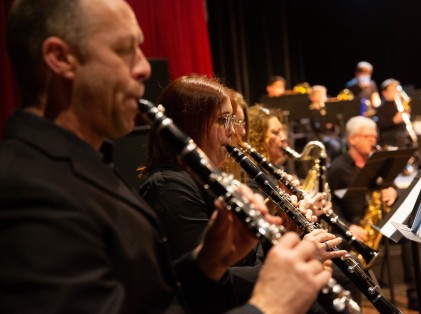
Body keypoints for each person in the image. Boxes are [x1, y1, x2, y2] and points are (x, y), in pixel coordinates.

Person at [0, 1, 332, 314]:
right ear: (60, 58)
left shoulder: (85, 164)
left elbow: (145, 302)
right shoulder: (27, 189)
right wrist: (268, 305)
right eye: (124, 50)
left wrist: (206, 265)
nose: (144, 68)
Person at [139, 75, 344, 311]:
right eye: (222, 120)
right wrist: (296, 260)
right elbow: (208, 285)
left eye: (232, 121)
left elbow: (245, 258)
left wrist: (286, 232)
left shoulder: (209, 181)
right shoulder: (169, 188)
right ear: (189, 125)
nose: (233, 133)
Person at [376, 78, 414, 148]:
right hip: (390, 134)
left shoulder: (400, 104)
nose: (395, 93)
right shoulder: (380, 108)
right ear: (384, 92)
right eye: (392, 91)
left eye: (396, 90)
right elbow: (381, 125)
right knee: (400, 136)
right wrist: (394, 120)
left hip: (402, 131)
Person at [308, 85, 342, 161]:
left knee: (344, 143)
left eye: (324, 95)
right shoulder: (312, 111)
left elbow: (335, 122)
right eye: (320, 95)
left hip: (331, 134)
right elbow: (317, 127)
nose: (323, 97)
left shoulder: (328, 109)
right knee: (335, 146)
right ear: (312, 97)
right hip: (320, 136)